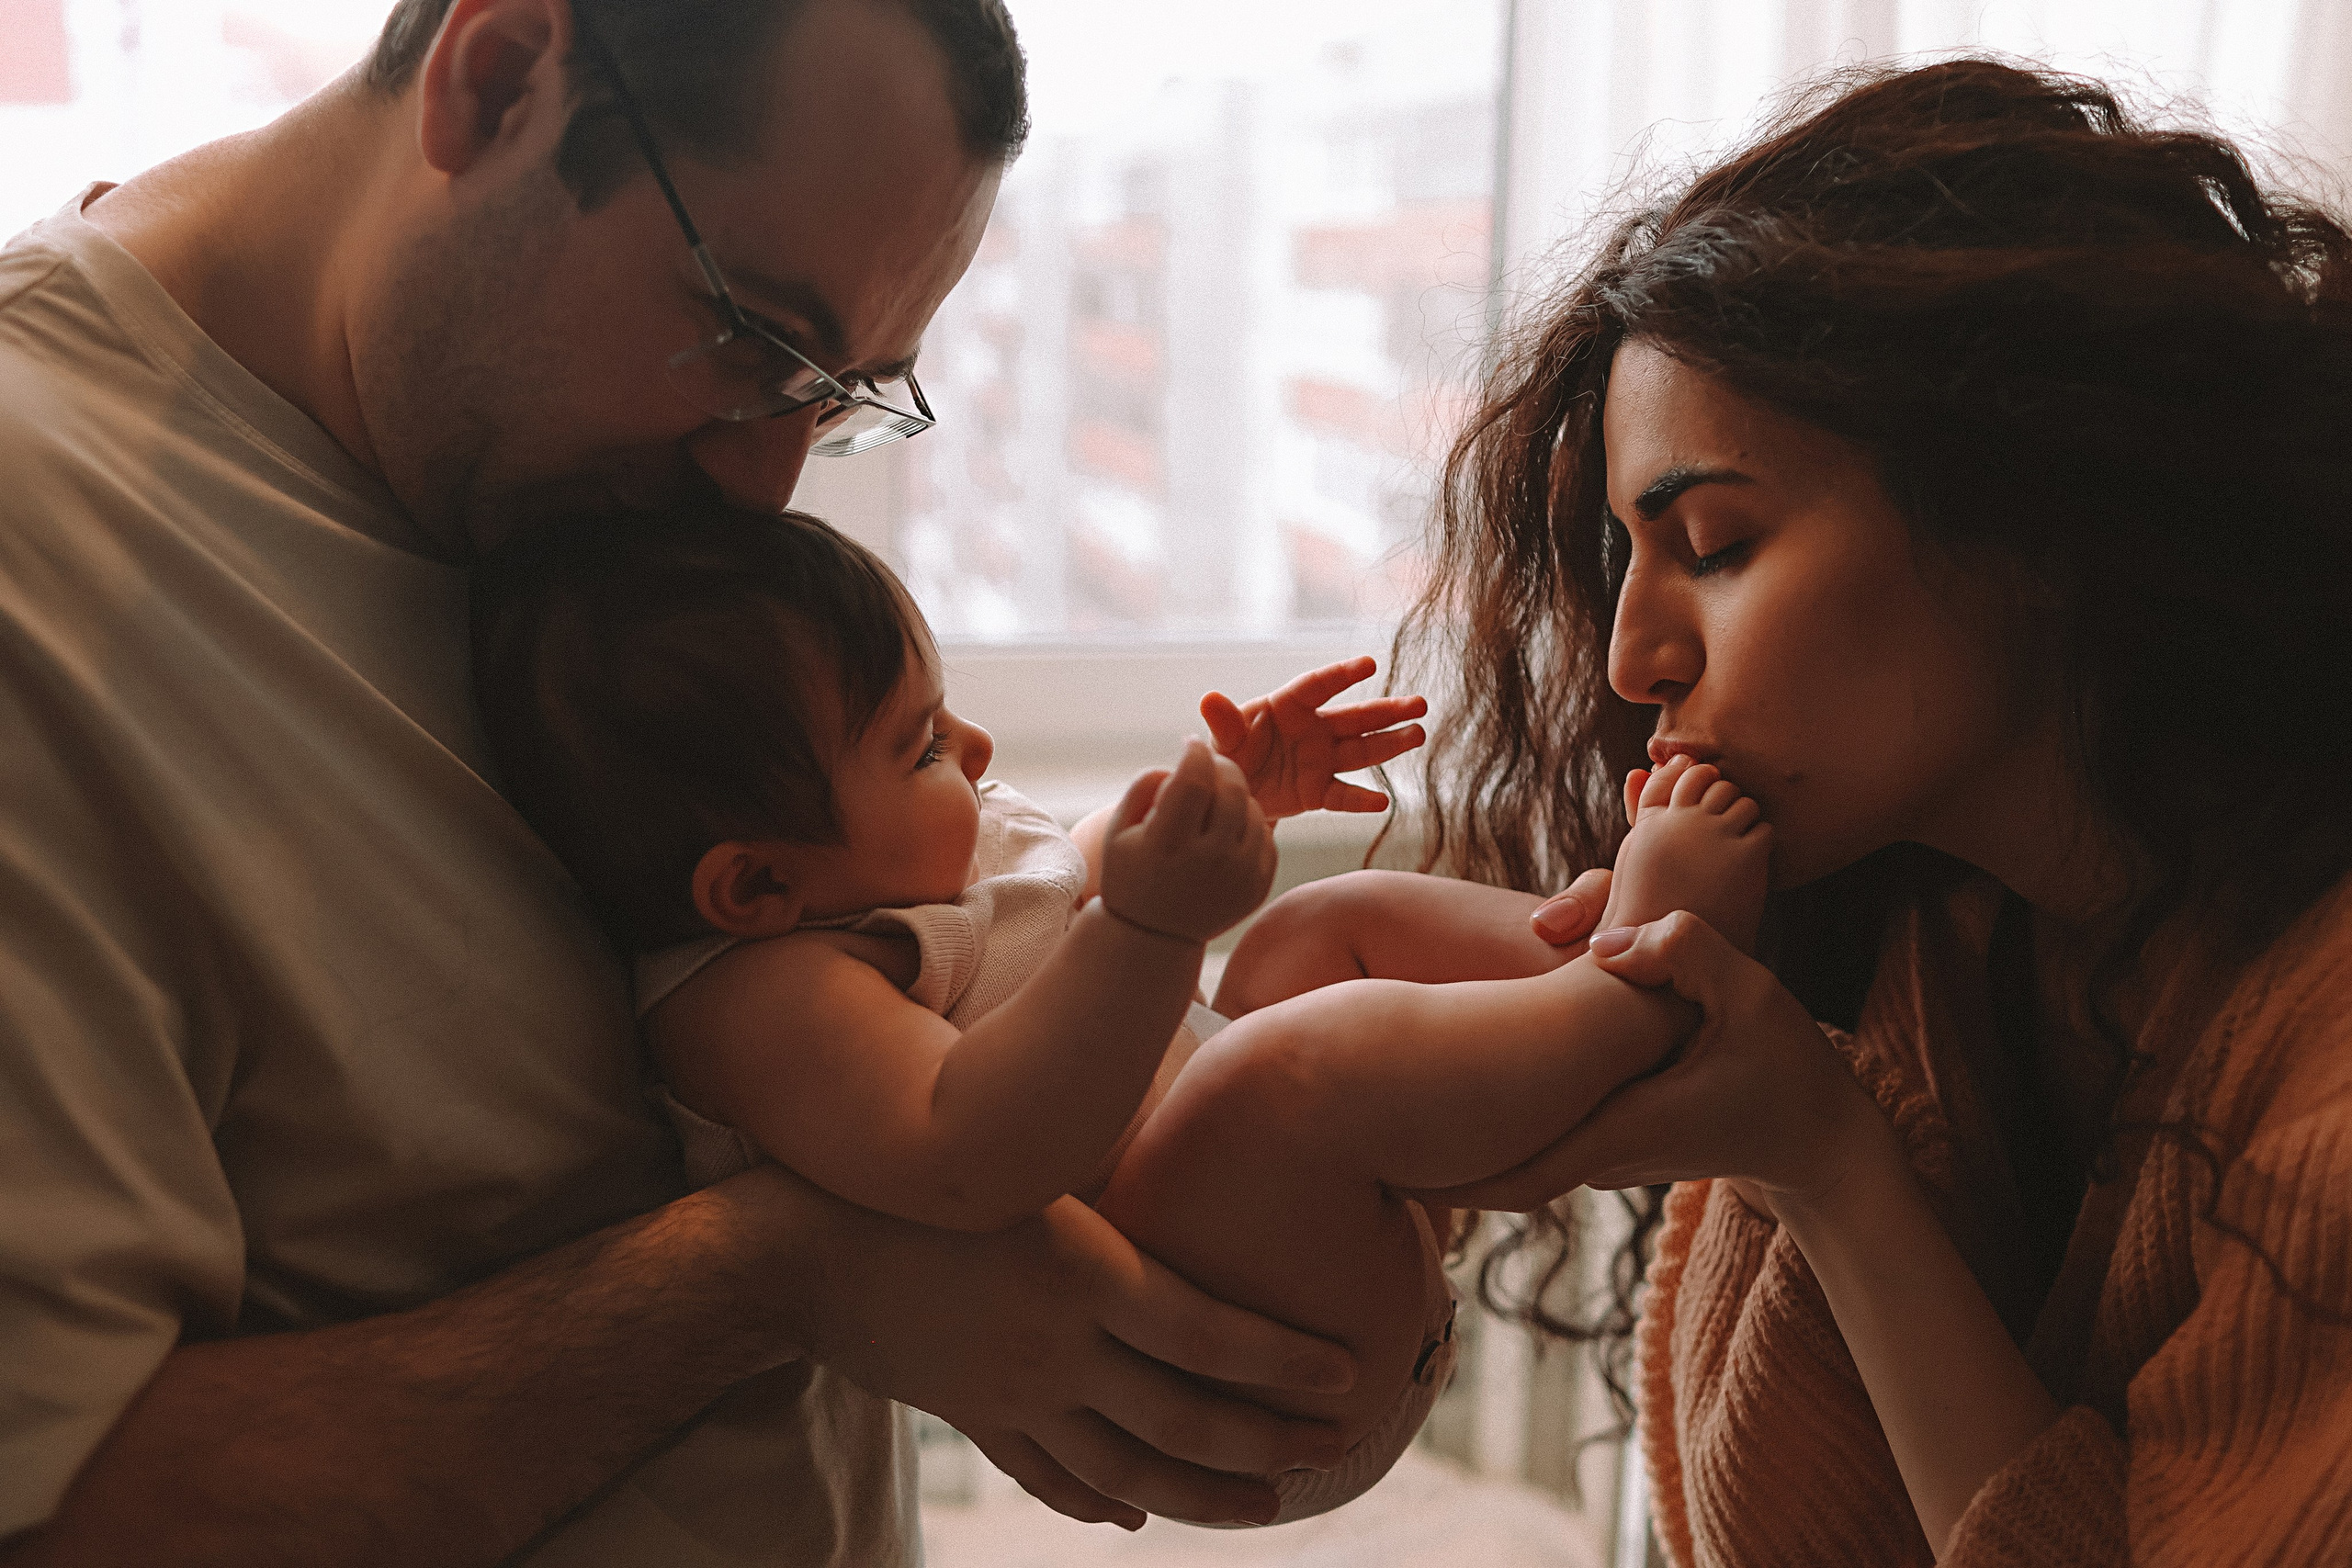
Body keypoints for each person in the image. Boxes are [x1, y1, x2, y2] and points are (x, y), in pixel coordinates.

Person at [0, 3, 1367, 1562]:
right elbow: (64, 1504)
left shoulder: (564, 503)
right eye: (750, 339)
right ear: (499, 80)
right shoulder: (43, 568)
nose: (764, 486)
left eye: (834, 400)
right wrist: (786, 1276)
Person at [1396, 57, 2352, 1566]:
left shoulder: (2322, 1074)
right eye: (1625, 561)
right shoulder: (1915, 942)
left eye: (1714, 544)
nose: (1633, 659)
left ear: (2032, 519)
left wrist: (1833, 1170)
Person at [469, 501, 1776, 1525]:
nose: (975, 750)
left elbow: (1046, 892)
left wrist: (1225, 800)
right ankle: (1645, 1000)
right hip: (1229, 1364)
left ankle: (1603, 940)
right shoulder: (763, 997)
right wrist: (1149, 929)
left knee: (1320, 928)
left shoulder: (873, 873)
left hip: (1290, 1241)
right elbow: (968, 1151)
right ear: (755, 885)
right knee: (1286, 1070)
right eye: (919, 744)